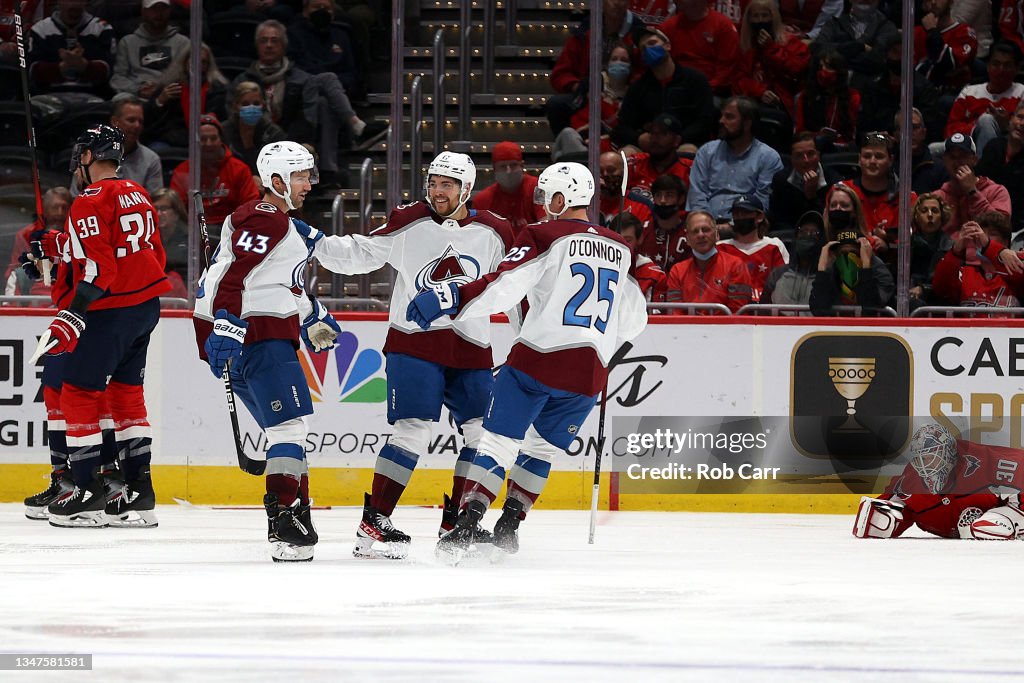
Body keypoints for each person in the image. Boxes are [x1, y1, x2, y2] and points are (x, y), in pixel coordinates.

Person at [405, 162, 647, 559]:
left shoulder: (544, 234)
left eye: (546, 197)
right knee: (542, 450)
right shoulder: (621, 249)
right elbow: (635, 321)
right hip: (588, 375)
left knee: (497, 443)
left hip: (538, 360)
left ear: (560, 198)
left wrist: (449, 299)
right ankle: (509, 526)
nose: (542, 207)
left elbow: (504, 284)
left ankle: (467, 524)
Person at [304, 152, 517, 559]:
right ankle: (375, 520)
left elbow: (513, 288)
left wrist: (524, 341)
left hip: (471, 346)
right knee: (413, 430)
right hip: (414, 343)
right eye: (433, 183)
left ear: (466, 188)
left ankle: (457, 522)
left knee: (479, 434)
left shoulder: (496, 232)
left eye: (447, 185)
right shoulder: (410, 220)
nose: (437, 191)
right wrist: (315, 243)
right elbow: (361, 253)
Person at [194, 141, 341, 562]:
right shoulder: (268, 218)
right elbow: (236, 276)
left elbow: (274, 281)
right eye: (300, 176)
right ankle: (282, 522)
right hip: (256, 335)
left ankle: (299, 514)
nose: (309, 184)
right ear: (276, 180)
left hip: (250, 333)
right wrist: (226, 324)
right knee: (290, 430)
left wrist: (312, 313)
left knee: (287, 433)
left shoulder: (276, 223)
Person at [29, 124, 171, 528]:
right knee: (127, 396)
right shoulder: (138, 192)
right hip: (146, 306)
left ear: (89, 157)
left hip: (109, 311)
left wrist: (74, 311)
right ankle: (138, 491)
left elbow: (99, 267)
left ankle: (88, 490)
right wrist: (56, 246)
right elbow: (146, 253)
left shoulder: (89, 199)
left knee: (76, 392)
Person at [853, 423, 1024, 539]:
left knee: (987, 526)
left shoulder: (985, 462)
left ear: (949, 454)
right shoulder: (909, 483)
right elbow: (879, 512)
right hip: (953, 540)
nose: (923, 467)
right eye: (919, 459)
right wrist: (887, 518)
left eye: (930, 458)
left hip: (1004, 511)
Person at [611, 27, 717, 149]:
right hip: (649, 145)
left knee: (688, 151)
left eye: (652, 43)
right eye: (643, 48)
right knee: (627, 153)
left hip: (684, 142)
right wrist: (638, 138)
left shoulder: (695, 80)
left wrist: (677, 139)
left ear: (667, 46)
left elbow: (705, 121)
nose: (648, 49)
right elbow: (622, 127)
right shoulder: (638, 87)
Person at [686, 96, 784, 222]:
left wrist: (732, 226)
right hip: (706, 228)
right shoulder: (707, 152)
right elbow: (697, 195)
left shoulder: (768, 157)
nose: (721, 121)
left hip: (745, 227)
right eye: (722, 116)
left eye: (729, 117)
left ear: (747, 124)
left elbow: (762, 204)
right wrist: (707, 225)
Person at [809, 184, 894, 315]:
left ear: (854, 211)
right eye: (833, 205)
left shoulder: (874, 264)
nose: (838, 209)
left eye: (844, 205)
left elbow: (872, 307)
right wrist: (822, 270)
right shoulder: (825, 255)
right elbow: (818, 307)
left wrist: (866, 267)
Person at [170, 114, 261, 229]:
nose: (208, 144)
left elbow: (250, 206)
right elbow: (177, 210)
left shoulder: (239, 169)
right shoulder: (182, 171)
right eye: (203, 139)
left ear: (221, 140)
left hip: (231, 230)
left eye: (213, 138)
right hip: (194, 232)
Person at [734, 0, 810, 125]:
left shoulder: (791, 42)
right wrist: (760, 92)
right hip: (751, 99)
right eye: (755, 16)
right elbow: (739, 78)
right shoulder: (744, 45)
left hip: (783, 102)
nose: (760, 21)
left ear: (773, 18)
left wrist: (770, 48)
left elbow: (796, 69)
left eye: (764, 16)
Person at [72, 95, 163, 199]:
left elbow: (155, 202)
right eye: (131, 120)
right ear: (115, 122)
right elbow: (77, 197)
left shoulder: (151, 160)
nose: (137, 126)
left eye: (140, 122)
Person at [144, 43, 230, 150]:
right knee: (156, 149)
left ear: (208, 65)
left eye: (203, 62)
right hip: (170, 140)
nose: (198, 65)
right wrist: (160, 101)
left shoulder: (217, 89)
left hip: (205, 140)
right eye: (194, 61)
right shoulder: (169, 85)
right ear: (185, 62)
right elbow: (148, 120)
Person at [666, 210, 753, 314]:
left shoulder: (736, 265)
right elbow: (675, 314)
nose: (701, 235)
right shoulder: (677, 271)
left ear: (717, 235)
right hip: (687, 329)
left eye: (706, 230)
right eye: (695, 231)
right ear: (687, 239)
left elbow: (738, 312)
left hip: (726, 329)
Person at [945, 41, 1024, 155]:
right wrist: (977, 127)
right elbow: (950, 129)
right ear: (988, 66)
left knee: (987, 120)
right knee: (933, 149)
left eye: (1007, 66)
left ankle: (984, 170)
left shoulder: (1021, 93)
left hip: (1008, 148)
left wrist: (1006, 125)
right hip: (965, 146)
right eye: (996, 64)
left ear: (1016, 69)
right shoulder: (969, 92)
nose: (1000, 70)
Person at [26, 0, 116, 98]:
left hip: (93, 98)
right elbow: (32, 71)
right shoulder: (41, 29)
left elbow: (108, 72)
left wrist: (84, 66)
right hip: (48, 96)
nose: (74, 4)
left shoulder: (101, 28)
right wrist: (61, 68)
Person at [931, 215, 1024, 309]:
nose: (981, 237)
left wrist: (989, 246)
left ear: (1005, 242)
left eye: (992, 234)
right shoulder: (963, 273)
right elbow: (940, 288)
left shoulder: (1014, 272)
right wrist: (955, 251)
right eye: (978, 233)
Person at [810, 0, 899, 92]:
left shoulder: (887, 27)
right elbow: (817, 48)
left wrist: (837, 59)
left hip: (871, 93)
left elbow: (877, 60)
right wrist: (858, 47)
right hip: (832, 90)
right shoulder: (833, 23)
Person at [660, 0, 740, 97]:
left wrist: (704, 88)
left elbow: (726, 69)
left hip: (711, 90)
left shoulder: (723, 26)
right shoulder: (668, 26)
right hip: (675, 87)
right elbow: (662, 64)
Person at [933, 132, 1011, 233]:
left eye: (963, 157)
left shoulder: (997, 191)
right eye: (952, 157)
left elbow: (1002, 230)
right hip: (950, 248)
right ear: (944, 161)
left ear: (974, 160)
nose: (957, 162)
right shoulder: (937, 198)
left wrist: (972, 192)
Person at [110, 0, 189, 98]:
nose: (159, 13)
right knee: (121, 98)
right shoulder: (127, 42)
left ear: (170, 11)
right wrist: (138, 89)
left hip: (170, 95)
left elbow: (186, 76)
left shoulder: (183, 43)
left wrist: (161, 88)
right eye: (153, 9)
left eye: (163, 9)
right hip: (136, 95)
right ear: (143, 12)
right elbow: (118, 77)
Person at [717, 195, 789, 301]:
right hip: (732, 306)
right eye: (737, 214)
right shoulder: (721, 247)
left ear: (759, 217)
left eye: (745, 213)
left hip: (765, 308)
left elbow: (784, 281)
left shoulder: (774, 245)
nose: (740, 217)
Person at [768, 132, 843, 233]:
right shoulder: (781, 180)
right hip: (790, 235)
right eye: (799, 156)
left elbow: (833, 220)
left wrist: (811, 196)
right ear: (791, 159)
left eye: (811, 154)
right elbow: (778, 219)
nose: (806, 160)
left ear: (818, 155)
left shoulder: (834, 180)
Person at [4, 187, 71, 296]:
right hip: (35, 297)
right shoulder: (26, 236)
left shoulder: (79, 235)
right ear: (45, 210)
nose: (60, 213)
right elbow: (16, 273)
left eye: (64, 208)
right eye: (55, 207)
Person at [471, 142, 545, 234]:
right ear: (494, 169)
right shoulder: (482, 200)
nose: (508, 171)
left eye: (513, 165)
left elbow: (546, 225)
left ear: (522, 166)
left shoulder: (538, 188)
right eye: (503, 166)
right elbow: (479, 235)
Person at [793, 50, 861, 152]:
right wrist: (818, 136)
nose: (823, 71)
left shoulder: (853, 96)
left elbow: (855, 133)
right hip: (812, 148)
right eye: (820, 67)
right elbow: (799, 132)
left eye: (828, 67)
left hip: (843, 150)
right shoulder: (805, 96)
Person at [976, 100, 1024, 236]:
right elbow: (979, 181)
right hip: (982, 218)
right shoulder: (994, 146)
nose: (1022, 124)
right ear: (1011, 119)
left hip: (1015, 228)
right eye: (1020, 117)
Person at [761, 210, 826, 307]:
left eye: (814, 233)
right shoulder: (778, 274)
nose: (808, 235)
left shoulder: (827, 277)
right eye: (803, 231)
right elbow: (763, 311)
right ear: (795, 237)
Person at [221, 81, 288, 174]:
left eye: (256, 103)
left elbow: (277, 170)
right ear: (236, 106)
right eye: (245, 104)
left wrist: (249, 146)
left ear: (263, 105)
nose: (251, 108)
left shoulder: (274, 133)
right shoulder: (223, 131)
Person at [638, 174, 690, 273]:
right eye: (658, 195)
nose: (662, 201)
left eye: (669, 195)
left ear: (681, 199)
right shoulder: (643, 231)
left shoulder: (689, 234)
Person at [908, 193, 953, 307]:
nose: (929, 215)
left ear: (942, 216)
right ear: (916, 216)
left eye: (935, 211)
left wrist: (924, 289)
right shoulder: (906, 245)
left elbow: (950, 283)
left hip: (940, 302)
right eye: (924, 210)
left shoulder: (951, 247)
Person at [612, 212, 666, 300]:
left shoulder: (655, 275)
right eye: (616, 240)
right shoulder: (602, 269)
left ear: (640, 239)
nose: (621, 245)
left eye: (627, 240)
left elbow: (656, 312)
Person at [151, 188, 189, 297]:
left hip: (183, 295)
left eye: (163, 209)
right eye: (155, 209)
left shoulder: (189, 238)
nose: (158, 214)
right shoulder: (147, 236)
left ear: (176, 212)